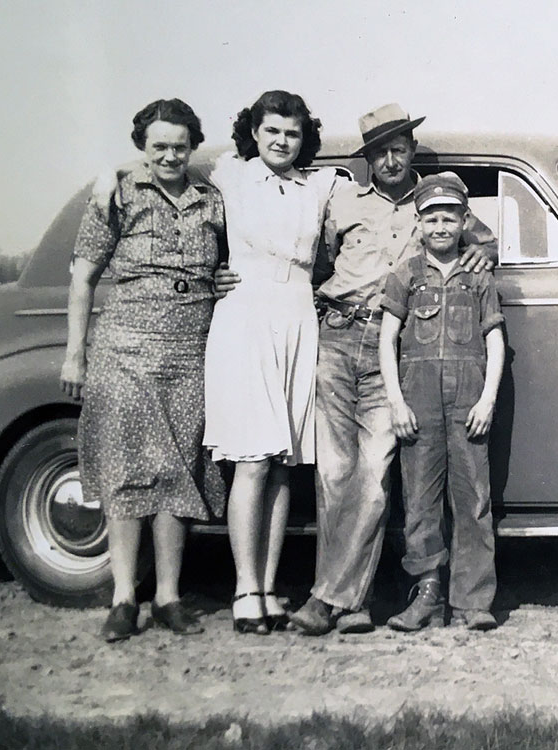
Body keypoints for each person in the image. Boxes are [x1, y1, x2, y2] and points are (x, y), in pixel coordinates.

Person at [287, 104, 496, 636]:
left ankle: (327, 598)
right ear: (369, 159)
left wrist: (484, 255)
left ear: (411, 149)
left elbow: (485, 240)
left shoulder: (436, 203)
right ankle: (353, 603)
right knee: (333, 474)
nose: (389, 158)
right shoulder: (344, 200)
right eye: (378, 151)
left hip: (391, 342)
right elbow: (312, 260)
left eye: (398, 147)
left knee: (376, 477)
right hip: (336, 335)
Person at [61, 98, 224, 643]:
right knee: (127, 470)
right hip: (123, 349)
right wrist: (74, 354)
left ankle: (170, 597)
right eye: (159, 146)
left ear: (193, 145)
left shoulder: (211, 200)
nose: (171, 155)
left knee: (179, 470)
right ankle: (124, 598)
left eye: (180, 145)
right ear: (142, 147)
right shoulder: (117, 195)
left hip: (189, 348)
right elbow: (83, 278)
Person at [201, 90, 344, 635]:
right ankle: (243, 590)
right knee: (252, 460)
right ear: (254, 135)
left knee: (284, 460)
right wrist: (216, 270)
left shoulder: (321, 186)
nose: (283, 142)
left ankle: (267, 585)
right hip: (247, 318)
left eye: (292, 133)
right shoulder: (229, 177)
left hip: (298, 316)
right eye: (272, 132)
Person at [377, 172, 505, 631]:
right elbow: (387, 338)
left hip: (468, 401)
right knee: (420, 501)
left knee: (473, 500)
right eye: (431, 219)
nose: (440, 228)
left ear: (464, 221)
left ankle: (473, 602)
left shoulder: (479, 276)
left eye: (449, 218)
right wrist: (396, 401)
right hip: (419, 402)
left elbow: (495, 339)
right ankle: (427, 596)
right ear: (418, 223)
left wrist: (487, 399)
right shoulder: (405, 275)